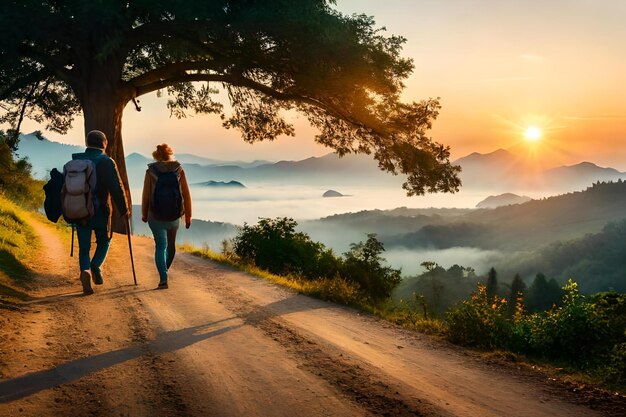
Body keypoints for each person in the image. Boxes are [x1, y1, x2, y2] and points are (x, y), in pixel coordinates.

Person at [73, 130, 129, 295]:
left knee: (84, 247)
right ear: (104, 144)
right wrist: (124, 209)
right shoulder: (107, 162)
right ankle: (95, 265)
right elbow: (116, 188)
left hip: (80, 210)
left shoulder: (76, 160)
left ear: (87, 142)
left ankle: (85, 271)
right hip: (100, 211)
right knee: (104, 241)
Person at [141, 143, 192, 289]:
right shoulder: (179, 170)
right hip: (174, 216)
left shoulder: (150, 171)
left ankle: (163, 278)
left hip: (155, 215)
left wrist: (144, 213)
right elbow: (186, 194)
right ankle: (165, 270)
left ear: (156, 156)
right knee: (171, 246)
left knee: (160, 246)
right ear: (170, 154)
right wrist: (188, 215)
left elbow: (145, 195)